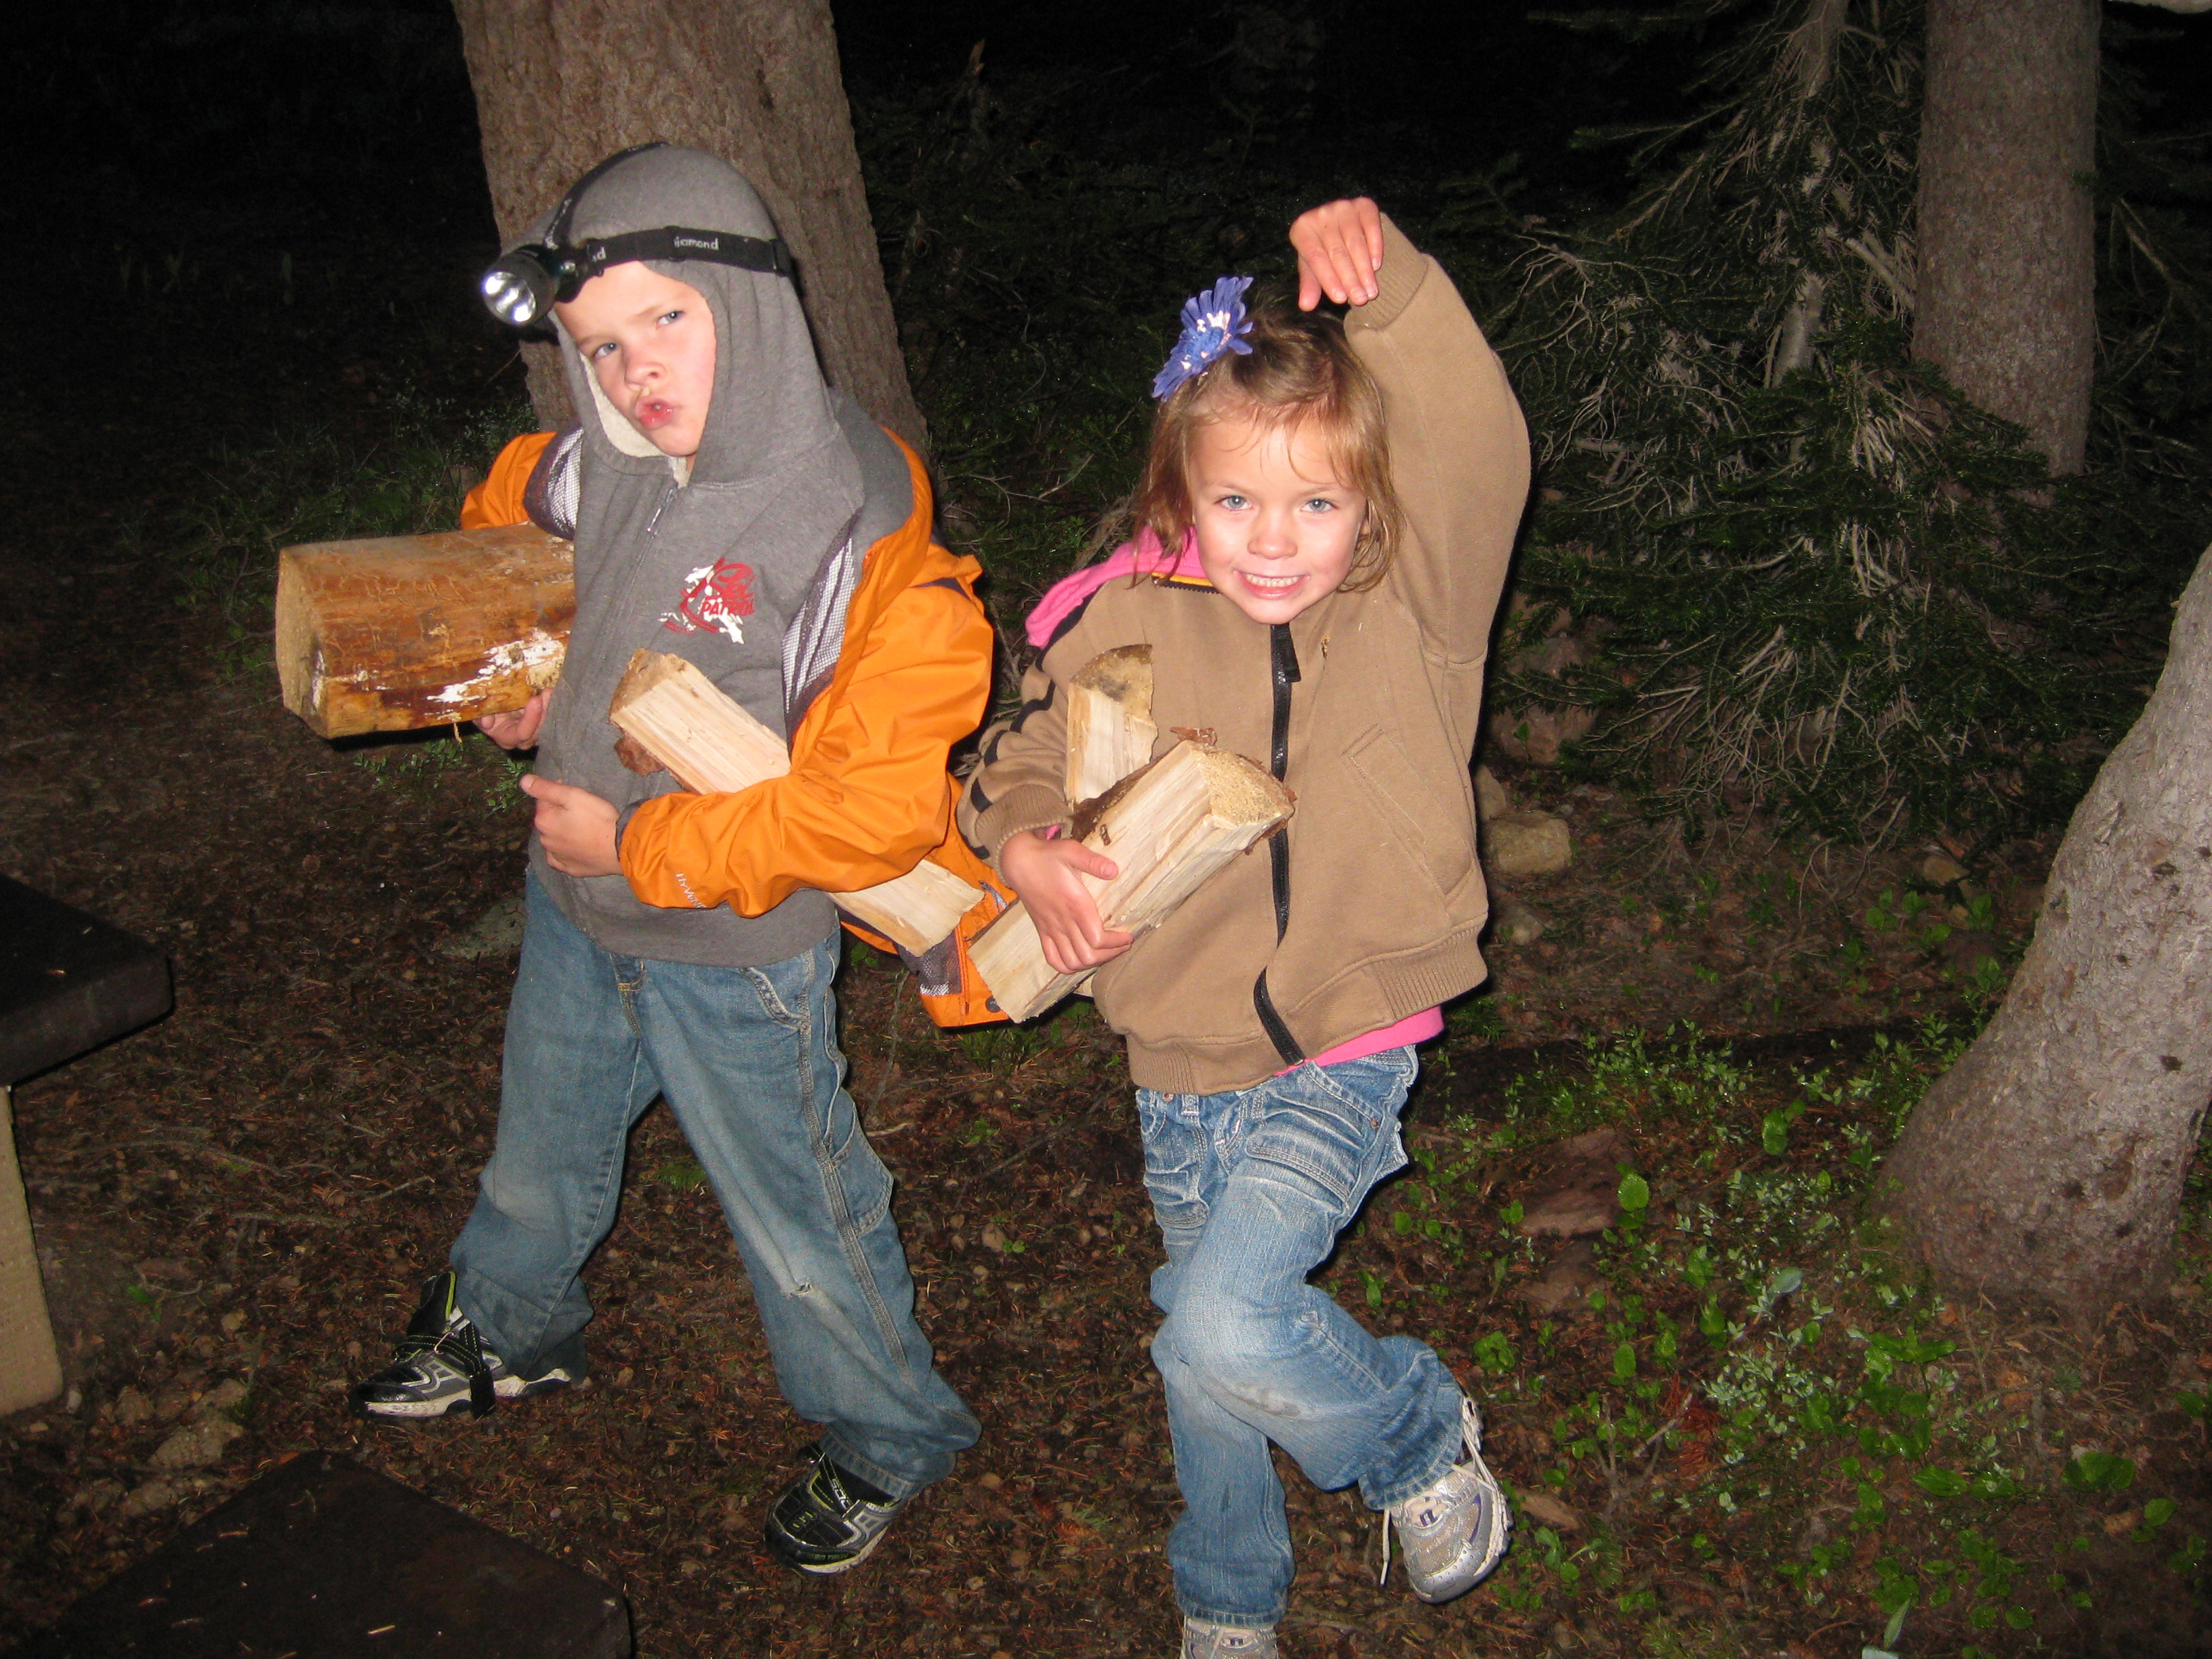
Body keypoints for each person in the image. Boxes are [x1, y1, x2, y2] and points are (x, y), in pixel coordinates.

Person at [348, 144, 986, 1578]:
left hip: (734, 960)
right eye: (601, 348)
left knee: (802, 1209)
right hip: (578, 909)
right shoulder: (619, 463)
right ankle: (512, 1321)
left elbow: (866, 817)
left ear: (749, 303)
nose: (638, 374)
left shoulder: (856, 522)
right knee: (544, 1140)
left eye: (669, 324)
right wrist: (519, 659)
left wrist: (642, 840)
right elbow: (510, 502)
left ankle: (889, 1430)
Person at [956, 199, 1530, 1656]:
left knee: (1219, 1320)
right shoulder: (1125, 628)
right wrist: (1023, 845)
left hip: (1349, 1031)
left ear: (1372, 510)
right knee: (1203, 1350)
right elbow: (1016, 760)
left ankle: (1411, 1434)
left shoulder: (1415, 607)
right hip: (1178, 1061)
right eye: (1237, 504)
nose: (1277, 543)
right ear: (1179, 500)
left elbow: (1479, 443)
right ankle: (1227, 1599)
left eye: (1319, 505)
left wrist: (1394, 291)